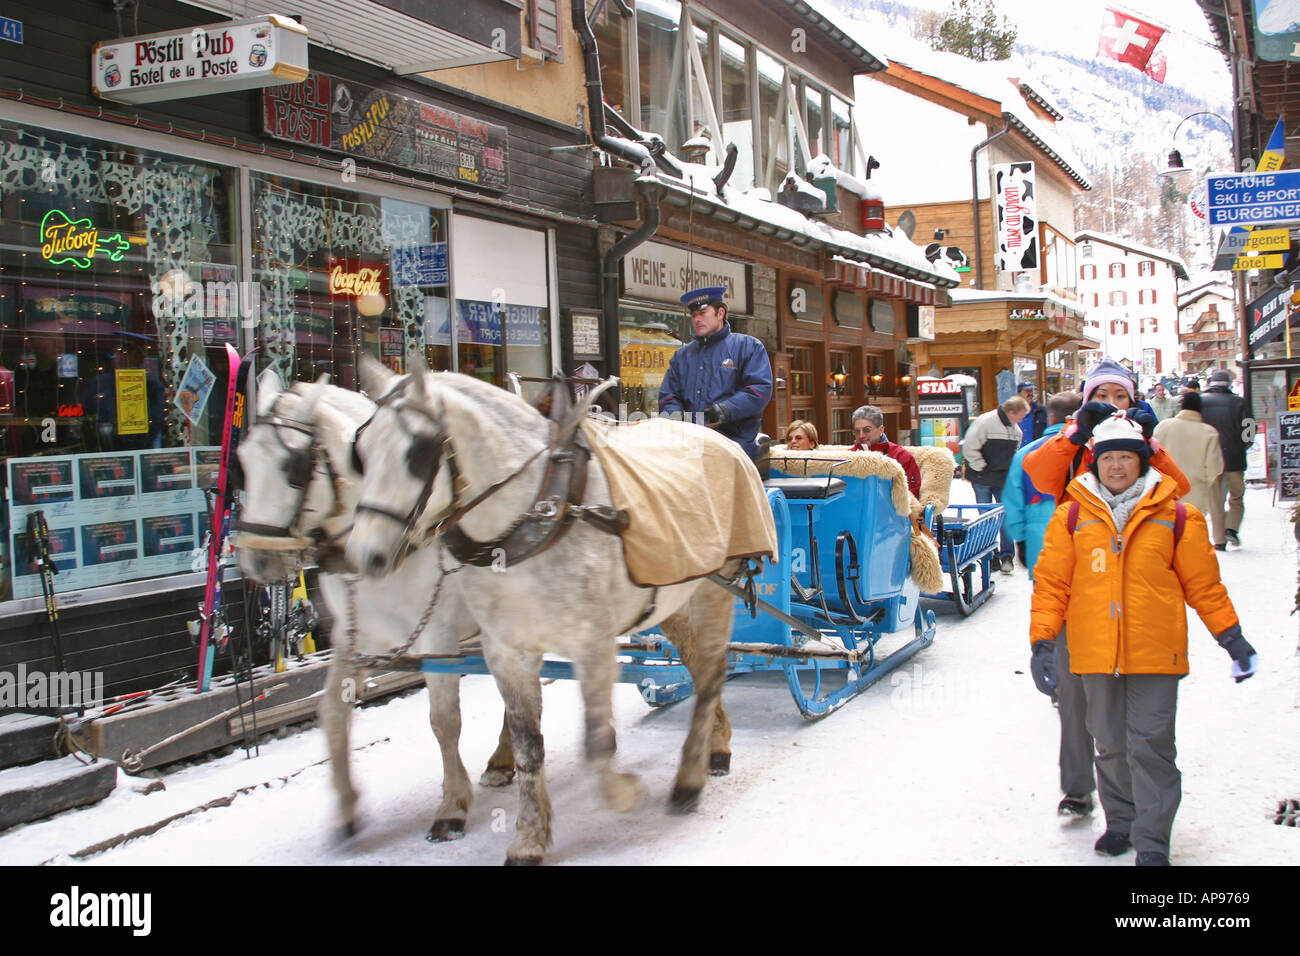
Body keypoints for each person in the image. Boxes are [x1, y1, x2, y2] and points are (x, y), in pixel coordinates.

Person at [1028, 411, 1256, 865]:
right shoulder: (1071, 517)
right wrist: (1043, 643)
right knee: (1109, 743)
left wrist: (1232, 637)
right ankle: (1121, 823)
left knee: (1150, 745)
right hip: (1095, 650)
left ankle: (1152, 841)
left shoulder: (1177, 517)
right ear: (1096, 463)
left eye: (1126, 459)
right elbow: (1052, 584)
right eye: (1108, 458)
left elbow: (1204, 586)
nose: (1117, 467)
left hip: (1156, 650)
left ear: (1143, 462)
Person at [1020, 358, 1190, 820]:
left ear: (1134, 401)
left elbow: (1179, 489)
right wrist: (1074, 434)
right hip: (1076, 584)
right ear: (1086, 400)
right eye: (1101, 396)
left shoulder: (1140, 447)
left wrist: (1152, 445)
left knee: (1123, 711)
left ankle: (1131, 798)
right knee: (1074, 697)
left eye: (1120, 396)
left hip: (1129, 590)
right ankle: (1077, 788)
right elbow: (1038, 475)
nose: (1111, 405)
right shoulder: (1069, 442)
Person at [658, 285, 773, 459]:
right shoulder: (681, 356)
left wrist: (725, 410)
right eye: (694, 315)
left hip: (734, 444)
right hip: (689, 443)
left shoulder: (748, 347)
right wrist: (675, 418)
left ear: (720, 313)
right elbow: (668, 395)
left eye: (703, 313)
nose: (697, 319)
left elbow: (759, 390)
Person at [961, 394, 1029, 571]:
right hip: (982, 477)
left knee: (1006, 516)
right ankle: (989, 556)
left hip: (1002, 478)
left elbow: (1015, 453)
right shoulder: (985, 422)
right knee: (986, 517)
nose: (1022, 420)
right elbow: (969, 446)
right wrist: (980, 467)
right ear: (1011, 412)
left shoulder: (1016, 431)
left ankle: (1006, 556)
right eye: (1020, 416)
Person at [1152, 391, 1224, 533]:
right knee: (1190, 533)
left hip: (1165, 490)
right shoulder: (1209, 432)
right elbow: (1214, 468)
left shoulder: (1163, 427)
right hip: (1195, 491)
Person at [1199, 369, 1251, 549]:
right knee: (1236, 496)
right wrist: (1244, 446)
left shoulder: (1201, 402)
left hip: (1211, 458)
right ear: (1228, 383)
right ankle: (1232, 528)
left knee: (1215, 500)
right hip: (1235, 457)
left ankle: (1219, 540)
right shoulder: (1239, 402)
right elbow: (1249, 429)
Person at [849, 404, 921, 498]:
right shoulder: (849, 456)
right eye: (857, 431)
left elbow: (912, 494)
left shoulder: (901, 456)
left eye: (867, 430)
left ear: (881, 430)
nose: (861, 435)